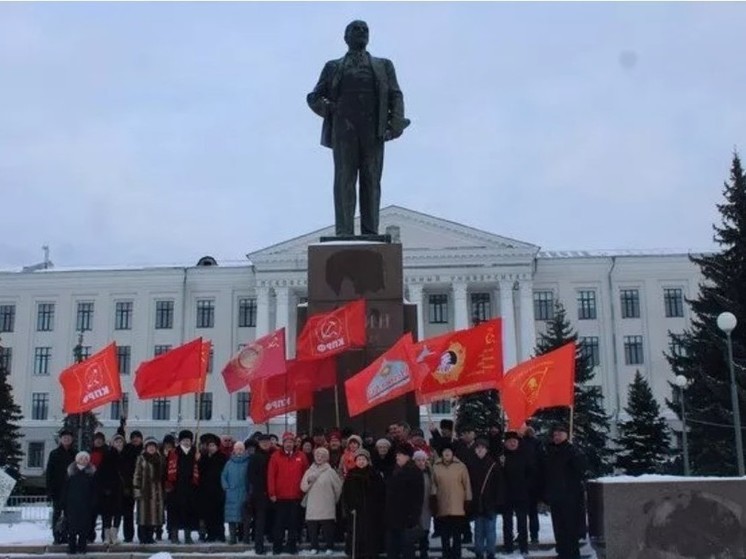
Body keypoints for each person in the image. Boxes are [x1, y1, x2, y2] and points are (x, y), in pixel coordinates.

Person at [307, 20, 409, 236]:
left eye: (365, 30)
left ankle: (370, 232)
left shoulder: (384, 65)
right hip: (344, 129)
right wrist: (331, 109)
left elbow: (395, 94)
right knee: (344, 179)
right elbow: (314, 97)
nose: (361, 32)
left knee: (371, 179)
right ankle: (344, 232)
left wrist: (396, 124)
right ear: (346, 37)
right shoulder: (333, 66)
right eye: (356, 29)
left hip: (373, 128)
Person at [543, 424, 587, 559]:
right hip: (556, 496)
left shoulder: (572, 450)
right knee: (558, 526)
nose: (557, 437)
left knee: (570, 527)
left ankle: (573, 554)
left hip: (570, 496)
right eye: (555, 435)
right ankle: (562, 552)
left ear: (566, 435)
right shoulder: (550, 451)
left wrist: (575, 455)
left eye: (559, 434)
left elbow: (581, 469)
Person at [268, 432, 309, 555]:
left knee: (294, 523)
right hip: (280, 497)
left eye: (291, 442)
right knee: (279, 523)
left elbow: (306, 474)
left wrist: (304, 492)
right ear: (283, 443)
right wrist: (272, 492)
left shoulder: (301, 456)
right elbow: (271, 475)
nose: (289, 444)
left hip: (296, 496)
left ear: (294, 443)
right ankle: (277, 547)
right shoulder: (275, 456)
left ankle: (292, 547)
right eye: (287, 442)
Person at [342, 448, 385, 559]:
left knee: (371, 533)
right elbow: (346, 494)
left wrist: (378, 508)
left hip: (372, 511)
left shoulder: (375, 474)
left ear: (368, 460)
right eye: (359, 459)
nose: (361, 461)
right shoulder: (351, 475)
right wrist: (349, 508)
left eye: (363, 459)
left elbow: (381, 493)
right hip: (356, 512)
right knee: (356, 533)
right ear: (355, 461)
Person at [431, 443, 472, 559]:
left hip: (458, 507)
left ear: (453, 453)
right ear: (441, 453)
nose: (447, 453)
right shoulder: (436, 466)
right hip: (442, 505)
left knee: (457, 535)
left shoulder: (461, 466)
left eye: (449, 451)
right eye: (444, 451)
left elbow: (467, 485)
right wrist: (433, 499)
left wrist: (468, 500)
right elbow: (433, 485)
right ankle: (446, 555)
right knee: (444, 535)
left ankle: (456, 555)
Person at [301, 447, 343, 554]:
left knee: (328, 527)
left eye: (322, 456)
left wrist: (333, 500)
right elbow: (303, 487)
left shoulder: (331, 472)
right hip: (312, 504)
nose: (320, 458)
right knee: (312, 526)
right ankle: (314, 546)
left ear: (327, 458)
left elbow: (338, 489)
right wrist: (309, 481)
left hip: (327, 504)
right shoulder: (309, 471)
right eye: (317, 455)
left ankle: (330, 546)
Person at [385, 444, 425, 559]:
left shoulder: (414, 472)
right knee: (392, 550)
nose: (397, 457)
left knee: (407, 550)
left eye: (400, 454)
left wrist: (413, 517)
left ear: (408, 456)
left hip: (406, 519)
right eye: (397, 454)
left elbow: (418, 497)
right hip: (392, 518)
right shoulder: (395, 470)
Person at [468, 438, 503, 559]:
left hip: (490, 503)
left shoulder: (493, 465)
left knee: (490, 530)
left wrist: (497, 501)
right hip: (477, 502)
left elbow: (499, 485)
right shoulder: (471, 464)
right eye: (478, 448)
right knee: (478, 531)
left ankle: (490, 553)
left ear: (486, 450)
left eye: (482, 448)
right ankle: (479, 552)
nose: (480, 450)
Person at [165, 430, 200, 544]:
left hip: (190, 488)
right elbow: (167, 469)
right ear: (180, 441)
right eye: (184, 440)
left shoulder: (195, 453)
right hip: (176, 488)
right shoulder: (174, 453)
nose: (186, 442)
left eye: (188, 440)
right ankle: (174, 536)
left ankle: (188, 536)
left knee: (189, 512)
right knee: (175, 513)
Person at [501, 432, 532, 556]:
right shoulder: (502, 456)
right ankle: (508, 546)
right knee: (507, 522)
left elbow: (531, 473)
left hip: (521, 494)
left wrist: (526, 486)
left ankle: (523, 546)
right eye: (510, 441)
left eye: (515, 441)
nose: (512, 443)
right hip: (506, 494)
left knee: (522, 522)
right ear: (505, 443)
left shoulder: (524, 455)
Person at [61, 451, 97, 555]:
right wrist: (63, 502)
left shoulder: (91, 474)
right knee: (72, 528)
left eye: (86, 458)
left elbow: (94, 489)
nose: (83, 460)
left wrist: (94, 502)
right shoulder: (71, 473)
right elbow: (65, 489)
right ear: (77, 460)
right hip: (72, 505)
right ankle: (71, 547)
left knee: (83, 528)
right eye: (81, 458)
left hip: (86, 505)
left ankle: (82, 547)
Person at [46, 428, 77, 544]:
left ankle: (66, 534)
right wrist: (49, 491)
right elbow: (49, 473)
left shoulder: (75, 454)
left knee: (69, 515)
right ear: (60, 439)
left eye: (68, 438)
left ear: (72, 439)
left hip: (71, 490)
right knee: (57, 514)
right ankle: (56, 536)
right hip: (57, 490)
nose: (66, 439)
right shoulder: (54, 454)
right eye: (64, 438)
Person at [132, 437, 165, 545]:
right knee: (143, 516)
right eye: (149, 447)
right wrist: (136, 489)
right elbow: (137, 474)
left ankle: (150, 537)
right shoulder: (141, 458)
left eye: (153, 447)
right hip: (144, 490)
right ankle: (142, 537)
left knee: (153, 516)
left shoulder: (160, 459)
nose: (151, 448)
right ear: (146, 448)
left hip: (156, 491)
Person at [97, 434, 127, 545]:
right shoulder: (108, 455)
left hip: (120, 489)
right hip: (109, 489)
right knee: (107, 513)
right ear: (112, 443)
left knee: (118, 512)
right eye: (116, 442)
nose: (119, 444)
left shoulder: (125, 455)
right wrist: (105, 487)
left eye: (121, 442)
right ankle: (106, 536)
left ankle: (114, 535)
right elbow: (102, 472)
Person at [247, 433, 274, 553]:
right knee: (260, 520)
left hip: (273, 492)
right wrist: (262, 489)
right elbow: (251, 476)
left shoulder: (274, 455)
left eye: (267, 442)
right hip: (260, 493)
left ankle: (272, 540)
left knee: (272, 518)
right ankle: (259, 546)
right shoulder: (255, 457)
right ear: (259, 443)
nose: (265, 444)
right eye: (263, 442)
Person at [198, 433, 227, 542]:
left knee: (219, 513)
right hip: (205, 490)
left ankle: (220, 534)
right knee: (208, 514)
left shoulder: (222, 457)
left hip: (218, 489)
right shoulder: (204, 457)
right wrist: (199, 460)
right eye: (209, 446)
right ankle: (210, 534)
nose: (211, 448)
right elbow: (200, 471)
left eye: (213, 446)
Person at [222, 441, 250, 545]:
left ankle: (245, 537)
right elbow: (223, 476)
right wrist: (226, 487)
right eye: (237, 449)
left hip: (244, 493)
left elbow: (251, 478)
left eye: (241, 449)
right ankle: (232, 538)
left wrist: (249, 491)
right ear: (234, 450)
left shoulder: (248, 462)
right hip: (231, 494)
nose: (239, 451)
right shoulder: (229, 463)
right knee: (231, 518)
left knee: (245, 518)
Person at [519, 424, 544, 544]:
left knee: (529, 511)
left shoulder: (534, 443)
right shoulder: (520, 442)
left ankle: (532, 535)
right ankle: (528, 535)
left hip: (530, 482)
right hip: (526, 482)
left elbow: (539, 462)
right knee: (525, 512)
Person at [120, 429, 143, 543]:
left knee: (142, 511)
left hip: (142, 485)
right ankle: (128, 535)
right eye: (133, 437)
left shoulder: (144, 450)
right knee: (127, 513)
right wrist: (122, 426)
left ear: (141, 439)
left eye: (137, 437)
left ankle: (142, 535)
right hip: (128, 485)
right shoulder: (126, 449)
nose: (135, 439)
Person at [413, 450, 433, 559]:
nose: (421, 462)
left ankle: (424, 551)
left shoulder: (429, 473)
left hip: (426, 505)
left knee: (425, 528)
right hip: (415, 506)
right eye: (418, 460)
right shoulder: (411, 473)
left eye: (423, 460)